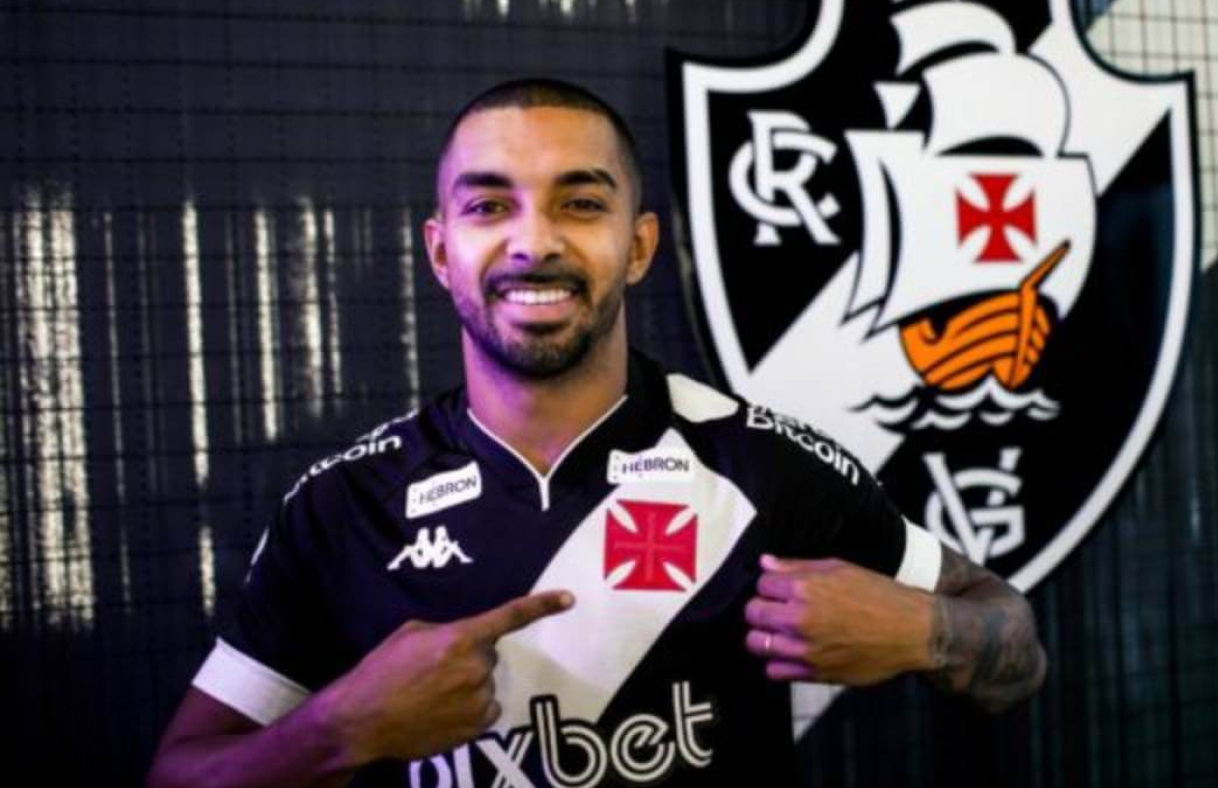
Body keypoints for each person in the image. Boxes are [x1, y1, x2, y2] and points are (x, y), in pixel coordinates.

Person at [147, 78, 1046, 788]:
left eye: (579, 204)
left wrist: (929, 632)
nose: (534, 243)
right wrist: (339, 730)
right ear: (440, 251)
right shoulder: (344, 507)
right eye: (488, 207)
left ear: (640, 245)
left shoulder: (761, 464)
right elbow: (178, 774)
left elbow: (1014, 643)